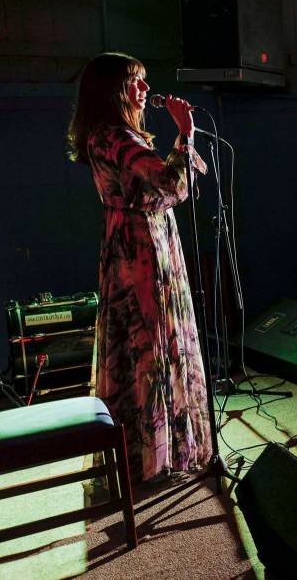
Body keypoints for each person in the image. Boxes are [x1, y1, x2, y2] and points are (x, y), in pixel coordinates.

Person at [66, 52, 212, 483]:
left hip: (143, 239)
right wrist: (184, 134)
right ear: (114, 90)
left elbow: (164, 190)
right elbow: (170, 184)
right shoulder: (114, 136)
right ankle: (150, 456)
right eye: (136, 81)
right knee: (147, 344)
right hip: (139, 249)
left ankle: (159, 451)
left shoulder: (116, 135)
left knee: (150, 343)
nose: (145, 89)